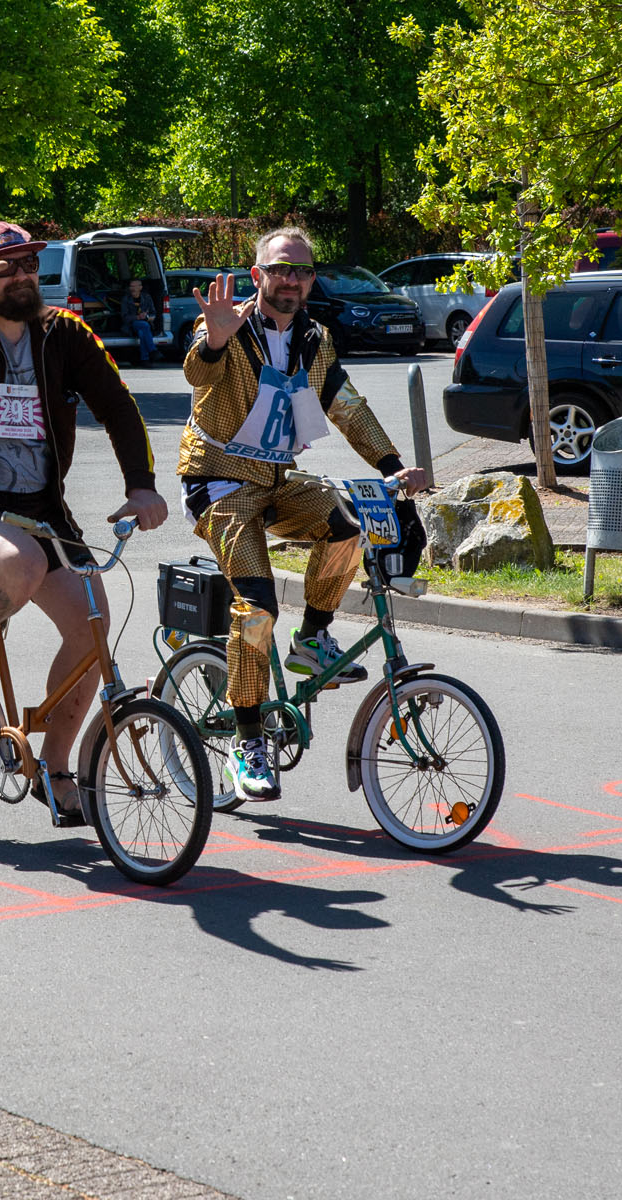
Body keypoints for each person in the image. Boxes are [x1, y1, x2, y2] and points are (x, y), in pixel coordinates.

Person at [0, 207, 169, 825]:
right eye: (5, 268)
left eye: (30, 264)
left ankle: (55, 770)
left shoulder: (65, 334)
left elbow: (120, 407)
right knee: (18, 566)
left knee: (94, 626)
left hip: (42, 510)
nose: (23, 277)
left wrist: (141, 486)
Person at [178, 226, 429, 803]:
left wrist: (393, 466)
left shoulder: (316, 339)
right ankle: (248, 741)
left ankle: (312, 639)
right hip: (218, 483)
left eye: (302, 270)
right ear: (257, 275)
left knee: (345, 525)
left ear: (312, 280)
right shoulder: (227, 326)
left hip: (274, 480)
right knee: (257, 606)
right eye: (280, 268)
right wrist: (214, 342)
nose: (291, 279)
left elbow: (345, 405)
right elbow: (199, 371)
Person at [120, 277, 158, 363]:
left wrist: (147, 317)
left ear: (140, 287)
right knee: (144, 325)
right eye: (131, 286)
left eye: (135, 286)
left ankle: (144, 359)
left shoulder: (147, 298)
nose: (132, 288)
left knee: (142, 333)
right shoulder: (126, 299)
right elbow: (124, 317)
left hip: (145, 324)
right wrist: (137, 317)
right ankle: (152, 350)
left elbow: (153, 314)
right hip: (130, 325)